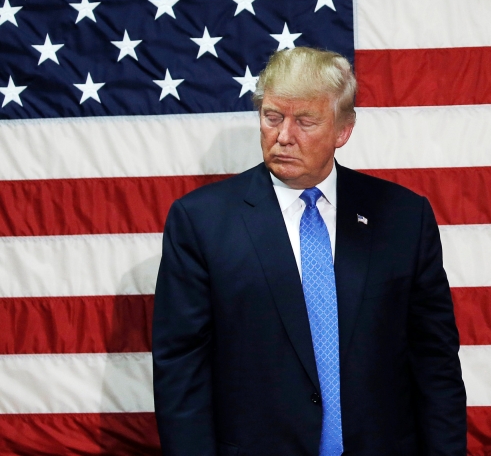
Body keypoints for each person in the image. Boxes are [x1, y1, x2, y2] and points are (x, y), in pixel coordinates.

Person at [152, 47, 467, 456]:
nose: (284, 136)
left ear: (342, 130)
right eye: (272, 117)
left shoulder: (404, 217)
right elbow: (181, 370)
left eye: (305, 121)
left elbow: (434, 360)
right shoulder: (201, 222)